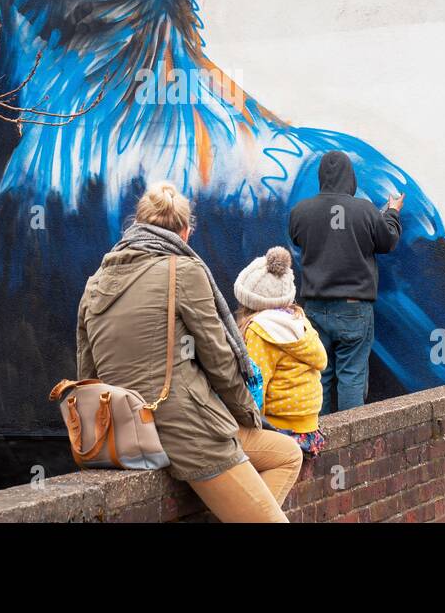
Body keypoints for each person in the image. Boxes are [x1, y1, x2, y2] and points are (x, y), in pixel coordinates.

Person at [76, 182, 303, 523]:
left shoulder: (96, 281)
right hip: (184, 430)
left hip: (129, 433)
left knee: (286, 453)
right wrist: (248, 412)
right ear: (185, 231)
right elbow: (220, 358)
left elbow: (87, 373)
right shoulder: (183, 270)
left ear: (137, 225)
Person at [288, 150, 404, 412]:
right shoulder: (364, 210)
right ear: (350, 177)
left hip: (315, 309)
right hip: (354, 308)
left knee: (321, 375)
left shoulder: (300, 211)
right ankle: (352, 447)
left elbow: (297, 237)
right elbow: (387, 241)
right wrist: (392, 212)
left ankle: (323, 443)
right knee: (351, 377)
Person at [235, 246, 328, 456]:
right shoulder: (299, 320)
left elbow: (256, 387)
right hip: (308, 430)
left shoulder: (260, 330)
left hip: (280, 429)